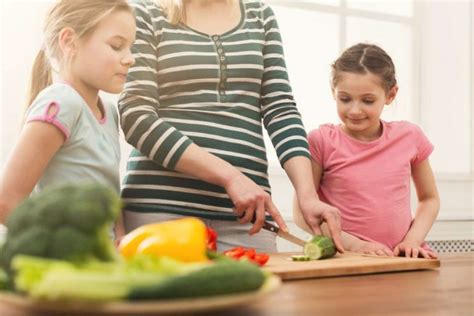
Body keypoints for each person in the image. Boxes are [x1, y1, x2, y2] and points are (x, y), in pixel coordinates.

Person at [118, 0, 343, 252]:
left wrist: (308, 195)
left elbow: (280, 109)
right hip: (161, 209)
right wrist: (231, 177)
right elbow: (136, 116)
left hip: (248, 217)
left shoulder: (260, 16)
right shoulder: (147, 12)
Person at [294, 43, 440, 258]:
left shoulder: (410, 136)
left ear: (390, 95)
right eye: (344, 99)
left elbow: (429, 199)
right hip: (346, 258)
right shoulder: (321, 141)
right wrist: (355, 245)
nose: (354, 110)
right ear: (332, 93)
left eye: (368, 100)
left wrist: (412, 240)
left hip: (401, 258)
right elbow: (302, 213)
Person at [0, 0, 136, 228]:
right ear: (69, 42)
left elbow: (108, 188)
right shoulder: (62, 102)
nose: (130, 58)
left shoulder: (109, 113)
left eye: (131, 47)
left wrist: (120, 237)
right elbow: (6, 202)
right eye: (116, 45)